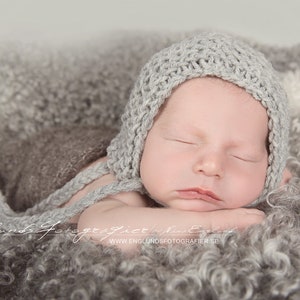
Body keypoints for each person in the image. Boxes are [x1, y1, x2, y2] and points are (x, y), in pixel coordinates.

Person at [0, 32, 292, 255]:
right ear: (140, 141)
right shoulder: (120, 189)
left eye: (242, 156)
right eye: (185, 141)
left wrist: (267, 179)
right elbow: (99, 228)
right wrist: (213, 225)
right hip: (44, 155)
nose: (212, 166)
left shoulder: (248, 171)